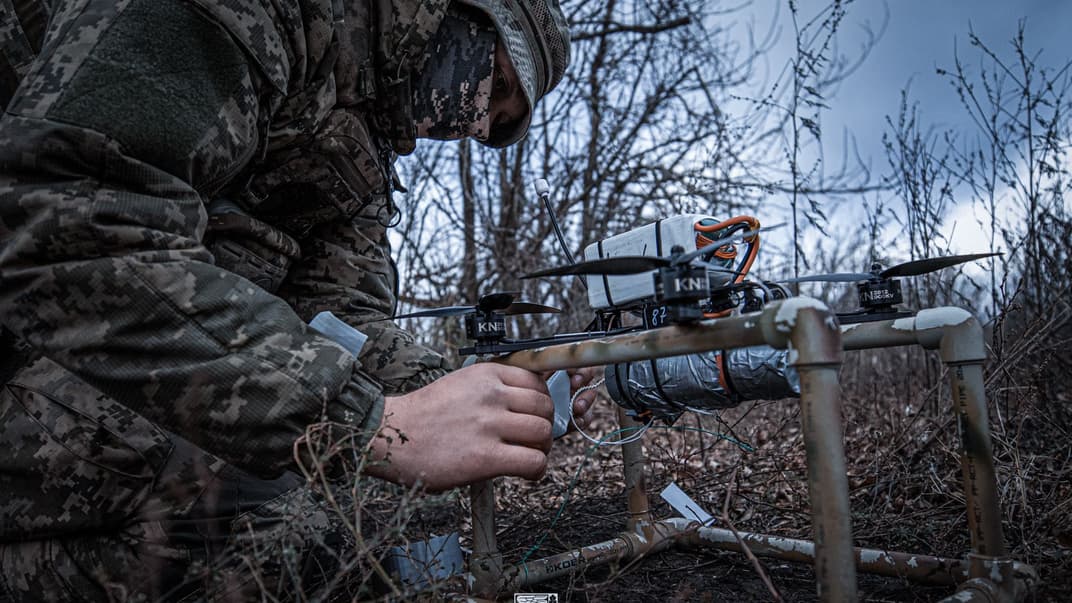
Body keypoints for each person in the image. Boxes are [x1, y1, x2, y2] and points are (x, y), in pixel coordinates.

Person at [0, 0, 593, 598]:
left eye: (495, 126)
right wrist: (366, 425)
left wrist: (500, 395)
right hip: (38, 346)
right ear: (455, 15)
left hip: (81, 363)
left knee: (359, 516)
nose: (475, 127)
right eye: (494, 90)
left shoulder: (358, 130)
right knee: (291, 535)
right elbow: (70, 226)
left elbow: (338, 319)